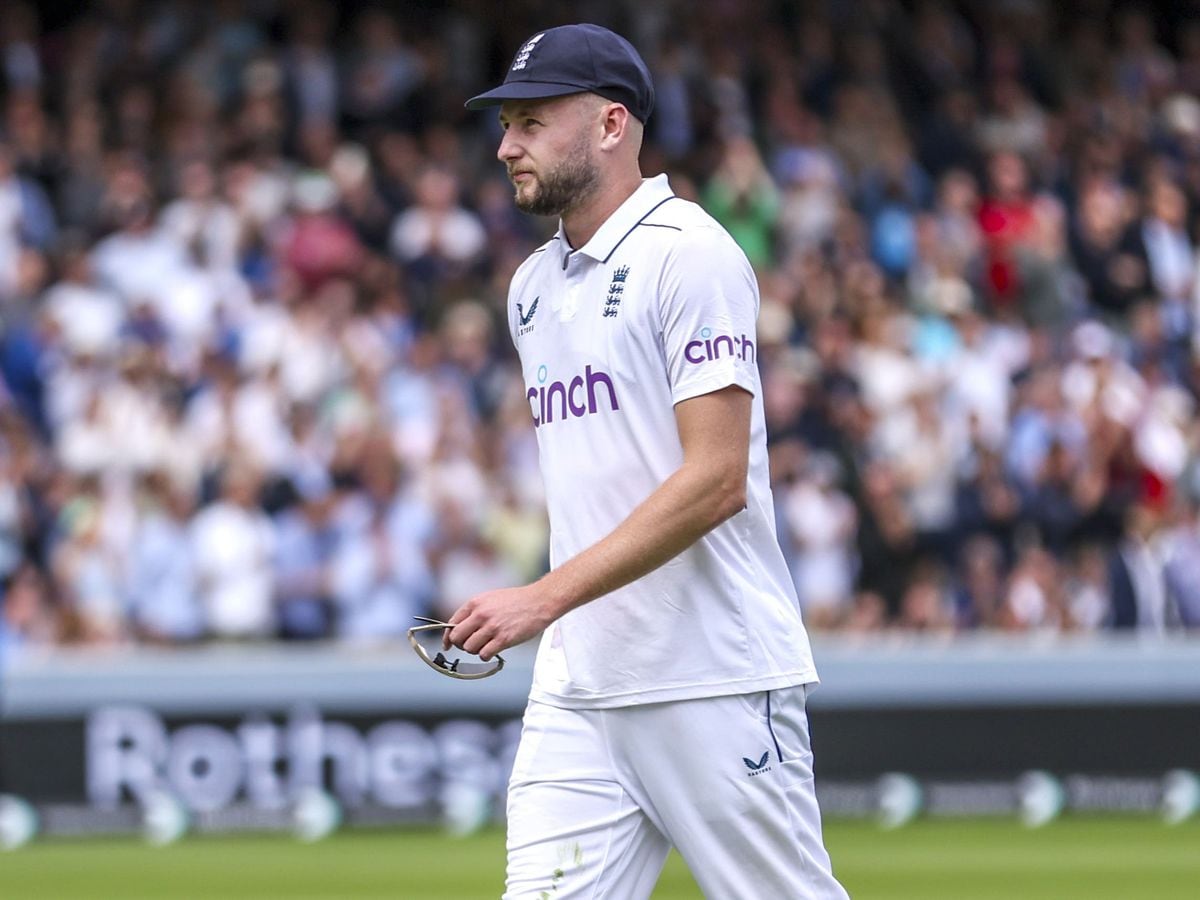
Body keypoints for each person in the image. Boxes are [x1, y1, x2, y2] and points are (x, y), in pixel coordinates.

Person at [450, 24, 847, 898]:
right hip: (581, 685)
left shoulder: (691, 255)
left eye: (530, 120)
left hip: (711, 672)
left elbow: (714, 483)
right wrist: (556, 619)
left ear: (610, 125)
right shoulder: (529, 288)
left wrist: (540, 599)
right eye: (506, 123)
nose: (507, 144)